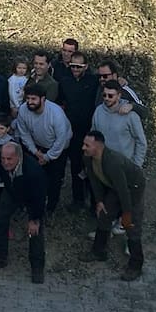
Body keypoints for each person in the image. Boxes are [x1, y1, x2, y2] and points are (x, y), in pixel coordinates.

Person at [82, 131, 146, 281]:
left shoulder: (113, 162)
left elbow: (124, 191)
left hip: (133, 187)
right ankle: (98, 252)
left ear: (98, 147)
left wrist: (126, 213)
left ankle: (135, 266)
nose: (83, 148)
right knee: (104, 215)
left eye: (87, 145)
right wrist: (99, 201)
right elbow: (94, 180)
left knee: (131, 225)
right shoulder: (88, 158)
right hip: (114, 185)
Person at [0, 142, 48, 284]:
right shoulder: (1, 158)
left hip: (32, 197)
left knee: (35, 231)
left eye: (9, 159)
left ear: (18, 157)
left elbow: (39, 198)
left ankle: (37, 267)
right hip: (11, 191)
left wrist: (34, 219)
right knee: (0, 220)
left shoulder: (34, 171)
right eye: (3, 159)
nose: (5, 162)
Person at [11, 83, 72, 217]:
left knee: (54, 180)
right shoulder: (23, 110)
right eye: (28, 98)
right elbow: (24, 133)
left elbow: (61, 140)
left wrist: (47, 157)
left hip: (58, 148)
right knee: (33, 176)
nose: (30, 102)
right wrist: (35, 152)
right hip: (37, 146)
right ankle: (31, 203)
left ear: (43, 99)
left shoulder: (56, 113)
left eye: (33, 99)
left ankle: (50, 208)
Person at [60, 52, 98, 211]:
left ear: (86, 66)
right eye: (73, 66)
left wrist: (122, 81)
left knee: (92, 167)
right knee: (75, 166)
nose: (75, 69)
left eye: (78, 66)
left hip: (89, 131)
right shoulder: (64, 81)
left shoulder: (94, 81)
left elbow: (111, 83)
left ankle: (95, 202)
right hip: (72, 132)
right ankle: (78, 200)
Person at [91, 80, 147, 169]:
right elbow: (94, 137)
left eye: (110, 96)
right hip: (103, 165)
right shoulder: (98, 111)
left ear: (119, 96)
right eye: (104, 95)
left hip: (125, 167)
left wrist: (136, 166)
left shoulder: (131, 115)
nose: (106, 98)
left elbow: (141, 142)